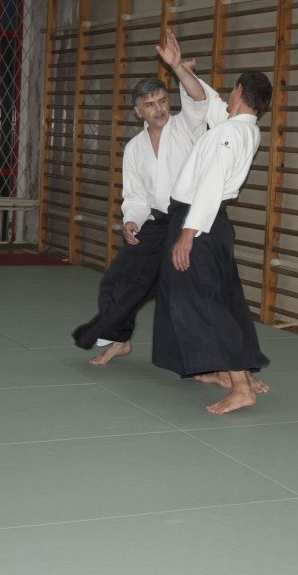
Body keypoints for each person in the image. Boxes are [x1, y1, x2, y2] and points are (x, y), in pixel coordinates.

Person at [72, 30, 211, 365]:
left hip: (188, 221)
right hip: (156, 222)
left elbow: (198, 99)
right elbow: (135, 194)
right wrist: (131, 221)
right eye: (150, 104)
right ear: (138, 111)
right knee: (117, 280)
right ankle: (120, 339)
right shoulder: (134, 148)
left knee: (179, 291)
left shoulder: (187, 127)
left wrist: (178, 68)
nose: (159, 108)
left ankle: (205, 359)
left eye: (162, 101)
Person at [152, 71, 274, 415]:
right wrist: (179, 68)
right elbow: (207, 101)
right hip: (213, 223)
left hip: (199, 221)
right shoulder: (244, 127)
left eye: (231, 91)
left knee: (205, 302)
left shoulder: (230, 133)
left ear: (239, 91)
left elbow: (211, 183)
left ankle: (240, 385)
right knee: (224, 298)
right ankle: (226, 370)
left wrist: (187, 234)